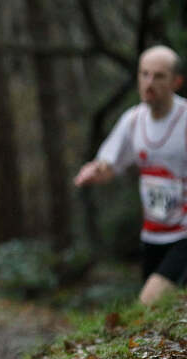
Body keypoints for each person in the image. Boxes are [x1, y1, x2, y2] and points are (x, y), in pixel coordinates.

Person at [74, 45, 187, 306]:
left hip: (184, 234)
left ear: (176, 82)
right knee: (158, 311)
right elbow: (109, 165)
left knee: (148, 302)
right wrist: (95, 171)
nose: (149, 82)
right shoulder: (133, 121)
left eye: (159, 76)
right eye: (144, 74)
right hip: (153, 235)